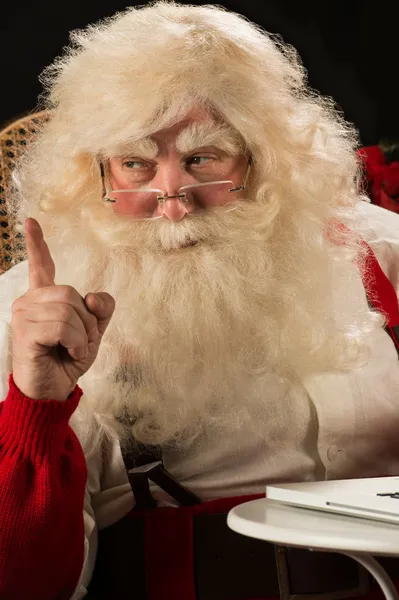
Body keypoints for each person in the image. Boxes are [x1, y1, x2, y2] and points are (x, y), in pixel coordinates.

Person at [1, 2, 399, 599]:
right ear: (97, 173)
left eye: (202, 158)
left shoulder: (376, 251)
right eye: (135, 163)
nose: (174, 197)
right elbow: (25, 582)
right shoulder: (30, 313)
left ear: (259, 157)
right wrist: (37, 404)